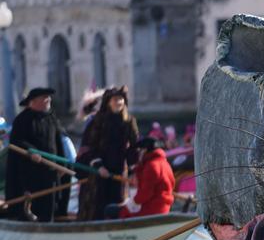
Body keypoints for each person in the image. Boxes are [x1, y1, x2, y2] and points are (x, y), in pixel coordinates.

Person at [3, 88, 67, 222]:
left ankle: (48, 225)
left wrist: (62, 165)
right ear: (33, 102)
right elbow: (18, 142)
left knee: (49, 203)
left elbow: (58, 143)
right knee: (32, 203)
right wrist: (32, 152)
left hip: (50, 171)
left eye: (49, 97)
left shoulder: (51, 118)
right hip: (30, 172)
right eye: (45, 97)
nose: (48, 99)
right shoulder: (22, 120)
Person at [77, 86, 140, 220]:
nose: (118, 102)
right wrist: (99, 166)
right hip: (99, 170)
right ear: (108, 102)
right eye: (115, 99)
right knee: (97, 203)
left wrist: (134, 170)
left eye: (121, 99)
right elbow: (89, 146)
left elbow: (134, 148)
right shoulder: (97, 121)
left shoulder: (129, 121)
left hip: (119, 170)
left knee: (118, 202)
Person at [114, 137, 175, 219]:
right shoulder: (165, 163)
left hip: (151, 210)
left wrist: (131, 203)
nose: (138, 153)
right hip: (163, 208)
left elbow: (145, 194)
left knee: (112, 210)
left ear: (145, 150)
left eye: (140, 150)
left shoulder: (151, 166)